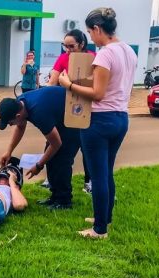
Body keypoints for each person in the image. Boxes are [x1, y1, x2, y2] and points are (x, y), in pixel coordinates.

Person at [58, 8, 137, 239]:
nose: (91, 37)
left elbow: (98, 94)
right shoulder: (128, 51)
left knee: (98, 175)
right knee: (106, 171)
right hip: (121, 118)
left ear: (98, 29)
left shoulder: (105, 54)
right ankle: (104, 217)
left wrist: (68, 85)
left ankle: (99, 230)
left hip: (100, 120)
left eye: (91, 32)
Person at [0, 87, 81, 210]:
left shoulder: (39, 113)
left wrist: (38, 166)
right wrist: (9, 151)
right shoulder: (20, 103)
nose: (10, 125)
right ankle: (55, 197)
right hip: (60, 117)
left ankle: (64, 201)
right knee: (50, 158)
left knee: (61, 160)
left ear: (18, 115)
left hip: (74, 119)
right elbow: (20, 127)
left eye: (10, 122)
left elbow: (56, 144)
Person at [48, 29, 96, 194]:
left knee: (88, 149)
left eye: (71, 46)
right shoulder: (63, 58)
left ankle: (89, 181)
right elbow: (52, 83)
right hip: (67, 108)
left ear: (81, 44)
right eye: (65, 46)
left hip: (88, 108)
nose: (67, 50)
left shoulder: (93, 58)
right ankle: (55, 183)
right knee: (63, 150)